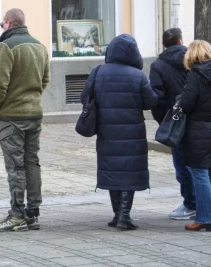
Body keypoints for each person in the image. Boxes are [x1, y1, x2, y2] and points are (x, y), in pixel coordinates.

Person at [80, 34, 158, 230]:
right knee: (129, 171)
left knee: (112, 170)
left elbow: (84, 97)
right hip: (133, 132)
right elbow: (151, 101)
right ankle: (124, 215)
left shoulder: (98, 72)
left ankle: (117, 215)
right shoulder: (138, 75)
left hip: (106, 131)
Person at [0, 9, 50, 232]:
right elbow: (45, 79)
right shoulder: (40, 46)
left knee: (15, 166)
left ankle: (17, 215)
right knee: (32, 163)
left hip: (12, 116)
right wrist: (32, 98)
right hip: (34, 113)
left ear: (8, 23)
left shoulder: (7, 47)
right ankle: (32, 214)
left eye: (2, 24)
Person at [178, 41, 211, 232]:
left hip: (197, 128)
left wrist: (180, 100)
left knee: (199, 172)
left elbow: (187, 104)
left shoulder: (195, 75)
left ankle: (205, 217)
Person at [149, 28, 194, 221]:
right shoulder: (194, 59)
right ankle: (203, 204)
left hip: (174, 120)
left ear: (164, 44)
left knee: (182, 164)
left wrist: (164, 121)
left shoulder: (158, 65)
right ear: (180, 41)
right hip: (196, 117)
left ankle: (190, 203)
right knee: (200, 165)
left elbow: (157, 98)